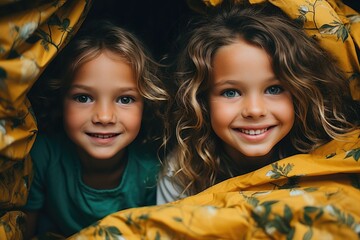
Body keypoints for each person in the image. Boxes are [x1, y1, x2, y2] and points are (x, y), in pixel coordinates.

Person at [157, 2, 360, 204]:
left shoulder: (329, 156)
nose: (254, 110)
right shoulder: (182, 172)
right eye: (231, 92)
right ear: (202, 100)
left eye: (274, 89)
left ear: (301, 93)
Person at [22, 20, 168, 238]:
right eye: (84, 97)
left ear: (146, 104)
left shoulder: (152, 169)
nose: (104, 117)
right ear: (60, 100)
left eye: (125, 99)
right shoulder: (42, 155)